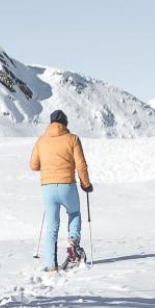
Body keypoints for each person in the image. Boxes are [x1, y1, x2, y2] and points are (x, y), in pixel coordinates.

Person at [29, 109, 92, 271]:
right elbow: (81, 165)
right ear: (65, 123)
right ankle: (73, 242)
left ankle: (51, 265)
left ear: (51, 123)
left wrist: (48, 165)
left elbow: (33, 165)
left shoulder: (41, 141)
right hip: (67, 186)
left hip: (48, 188)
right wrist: (86, 184)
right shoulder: (73, 139)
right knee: (74, 213)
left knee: (51, 226)